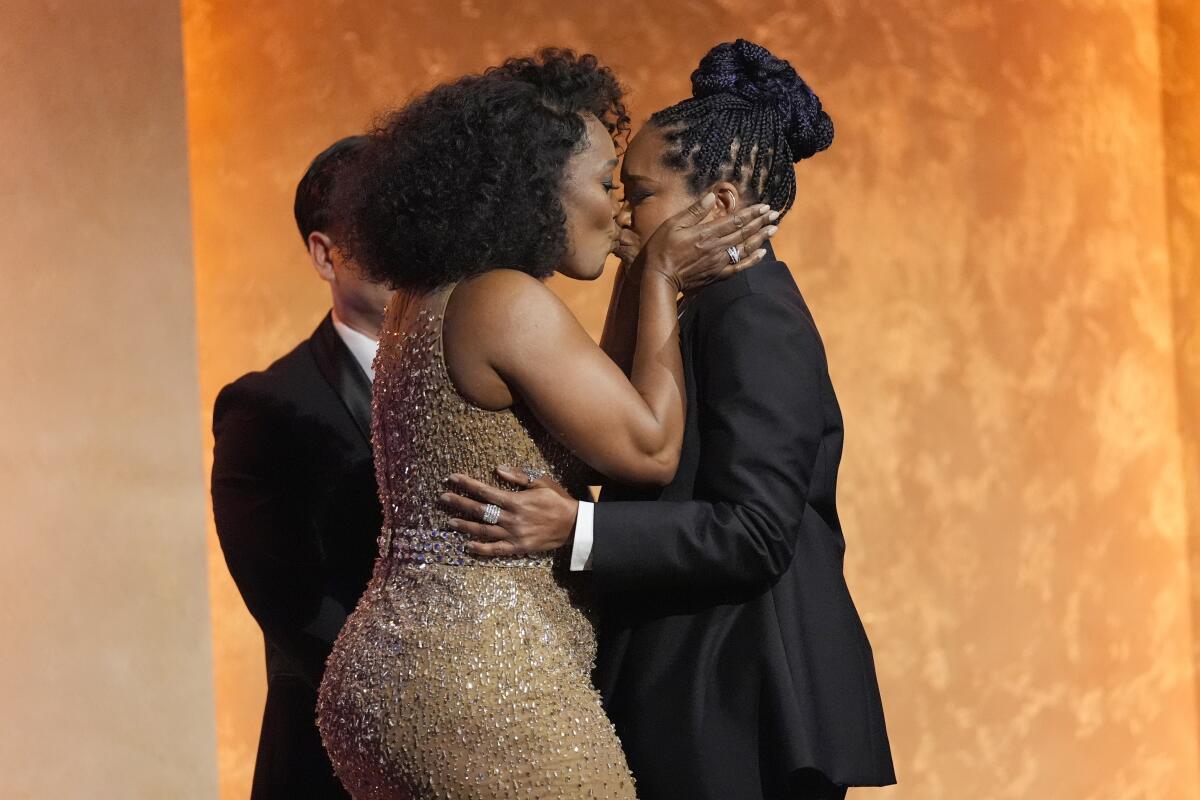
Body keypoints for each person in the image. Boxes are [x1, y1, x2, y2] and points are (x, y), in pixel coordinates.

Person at [315, 48, 776, 799]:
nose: (619, 208)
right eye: (603, 183)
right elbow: (648, 447)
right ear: (534, 190)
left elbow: (590, 423)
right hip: (481, 680)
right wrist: (660, 275)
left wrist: (638, 276)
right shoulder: (504, 301)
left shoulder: (430, 295)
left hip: (398, 670)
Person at [443, 40, 896, 800]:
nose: (624, 212)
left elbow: (754, 532)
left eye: (641, 192)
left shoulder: (756, 318)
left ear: (716, 204)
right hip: (699, 681)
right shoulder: (708, 308)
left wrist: (575, 530)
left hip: (743, 700)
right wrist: (640, 272)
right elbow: (624, 420)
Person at [210, 136, 392, 799]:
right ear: (325, 255)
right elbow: (294, 605)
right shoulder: (266, 406)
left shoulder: (488, 376)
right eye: (384, 229)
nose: (413, 248)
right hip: (337, 765)